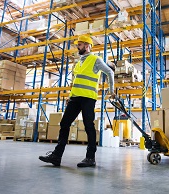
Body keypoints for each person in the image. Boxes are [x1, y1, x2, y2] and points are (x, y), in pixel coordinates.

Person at [39, 35, 115, 167]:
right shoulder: (79, 62)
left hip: (88, 98)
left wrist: (111, 90)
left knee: (88, 126)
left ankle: (90, 158)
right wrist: (70, 96)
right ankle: (57, 156)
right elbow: (76, 82)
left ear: (87, 45)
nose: (77, 47)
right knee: (64, 123)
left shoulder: (95, 59)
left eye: (79, 45)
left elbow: (110, 72)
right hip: (75, 98)